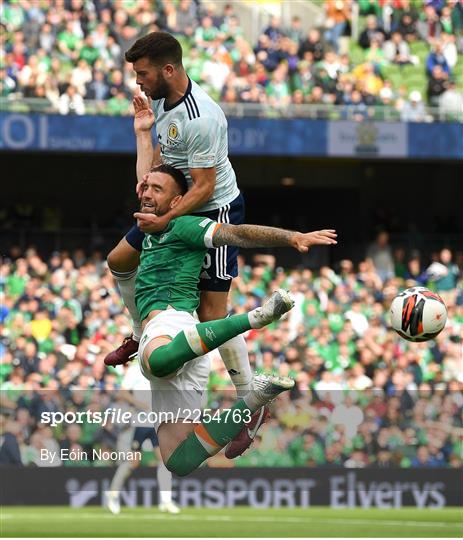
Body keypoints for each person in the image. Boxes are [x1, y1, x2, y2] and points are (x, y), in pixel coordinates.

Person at [103, 31, 261, 458]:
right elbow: (156, 170)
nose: (138, 82)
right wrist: (142, 134)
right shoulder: (158, 101)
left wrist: (167, 219)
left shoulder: (203, 117)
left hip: (213, 211)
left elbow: (206, 187)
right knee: (119, 259)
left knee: (212, 314)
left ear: (168, 70)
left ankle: (249, 407)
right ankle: (141, 333)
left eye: (142, 74)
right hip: (174, 205)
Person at [128, 163, 337, 476]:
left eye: (157, 190)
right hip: (189, 352)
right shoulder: (147, 222)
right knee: (177, 462)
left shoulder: (183, 225)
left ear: (176, 202)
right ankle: (254, 399)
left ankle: (255, 317)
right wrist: (143, 133)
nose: (147, 192)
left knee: (156, 361)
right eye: (146, 188)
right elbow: (146, 174)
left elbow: (237, 234)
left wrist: (291, 237)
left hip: (171, 324)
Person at [106, 361, 180, 515]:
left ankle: (166, 500)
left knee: (164, 460)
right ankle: (112, 495)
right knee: (132, 462)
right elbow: (123, 392)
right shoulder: (135, 369)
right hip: (140, 422)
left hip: (157, 421)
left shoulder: (162, 367)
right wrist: (138, 403)